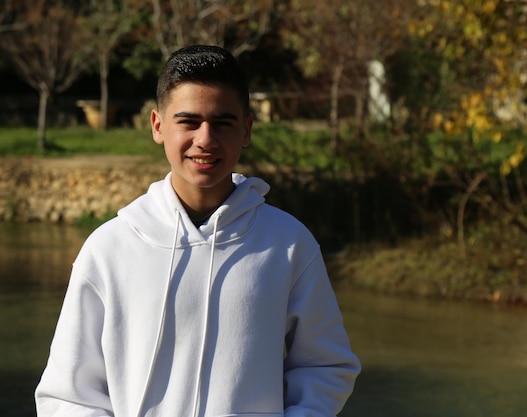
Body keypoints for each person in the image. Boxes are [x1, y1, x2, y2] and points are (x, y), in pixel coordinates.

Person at [35, 45, 360, 417]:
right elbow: (68, 394)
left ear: (247, 129)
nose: (205, 139)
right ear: (158, 126)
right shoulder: (110, 248)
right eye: (188, 121)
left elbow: (325, 367)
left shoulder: (288, 244)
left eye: (222, 123)